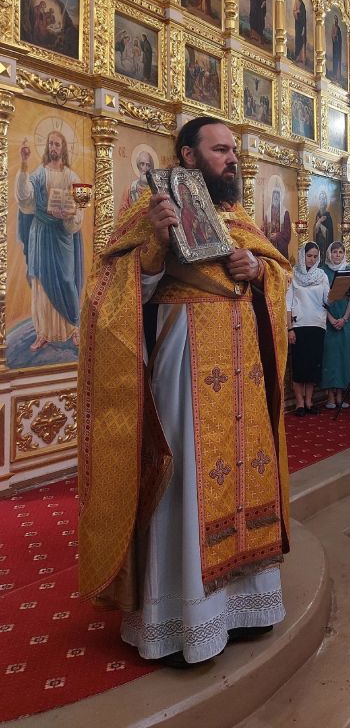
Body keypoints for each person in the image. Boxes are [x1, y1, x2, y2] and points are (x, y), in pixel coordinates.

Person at [78, 116, 291, 668]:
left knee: (242, 480)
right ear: (189, 156)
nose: (232, 159)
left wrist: (259, 272)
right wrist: (154, 244)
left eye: (234, 151)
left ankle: (244, 608)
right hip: (185, 370)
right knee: (189, 485)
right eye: (220, 150)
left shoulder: (237, 217)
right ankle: (186, 623)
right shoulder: (152, 210)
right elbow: (113, 295)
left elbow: (274, 274)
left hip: (242, 377)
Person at [16, 131, 85, 352]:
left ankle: (74, 328)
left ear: (63, 148)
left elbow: (81, 207)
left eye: (57, 144)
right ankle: (43, 332)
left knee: (66, 280)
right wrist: (25, 164)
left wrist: (71, 213)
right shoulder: (39, 173)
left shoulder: (72, 177)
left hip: (62, 235)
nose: (53, 147)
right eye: (50, 144)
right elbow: (25, 197)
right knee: (41, 286)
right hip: (41, 234)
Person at [286, 242, 330, 417]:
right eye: (308, 255)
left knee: (312, 366)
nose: (311, 259)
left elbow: (328, 299)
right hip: (299, 325)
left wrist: (341, 292)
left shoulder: (322, 275)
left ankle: (309, 402)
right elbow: (287, 304)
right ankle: (299, 403)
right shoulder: (292, 275)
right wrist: (290, 329)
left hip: (317, 324)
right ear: (302, 255)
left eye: (314, 256)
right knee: (299, 366)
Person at [320, 241, 350, 410]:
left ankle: (341, 394)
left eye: (340, 252)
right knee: (330, 358)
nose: (337, 255)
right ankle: (330, 396)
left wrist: (345, 319)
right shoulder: (322, 272)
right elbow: (320, 300)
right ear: (329, 254)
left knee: (343, 357)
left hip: (345, 321)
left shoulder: (349, 270)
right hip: (328, 321)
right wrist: (331, 319)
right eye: (334, 252)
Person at [262, 183, 291, 259]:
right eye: (274, 195)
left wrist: (278, 236)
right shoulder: (267, 213)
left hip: (281, 249)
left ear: (280, 197)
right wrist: (263, 230)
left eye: (277, 195)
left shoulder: (285, 212)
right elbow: (264, 229)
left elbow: (288, 233)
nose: (275, 197)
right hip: (269, 247)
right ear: (271, 197)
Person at [120, 149, 154, 213]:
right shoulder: (129, 189)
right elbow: (121, 215)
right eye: (142, 164)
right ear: (138, 166)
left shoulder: (155, 189)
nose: (145, 168)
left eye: (148, 165)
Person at [313, 188, 334, 263]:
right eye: (320, 199)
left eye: (323, 199)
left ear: (326, 201)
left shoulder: (327, 215)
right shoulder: (318, 214)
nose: (322, 201)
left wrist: (320, 223)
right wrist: (319, 221)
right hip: (318, 242)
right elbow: (315, 230)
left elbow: (328, 233)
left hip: (326, 244)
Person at [293, 0, 307, 65]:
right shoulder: (296, 1)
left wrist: (304, 28)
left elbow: (304, 16)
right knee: (298, 39)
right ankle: (297, 57)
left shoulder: (303, 4)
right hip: (298, 24)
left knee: (302, 40)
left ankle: (302, 58)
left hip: (302, 24)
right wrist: (297, 12)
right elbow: (294, 11)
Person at [330, 14, 342, 81]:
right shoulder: (333, 26)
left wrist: (337, 37)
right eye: (335, 19)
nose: (336, 21)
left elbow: (340, 37)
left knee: (338, 59)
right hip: (335, 45)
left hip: (338, 45)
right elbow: (332, 34)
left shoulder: (338, 28)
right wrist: (335, 37)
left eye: (336, 19)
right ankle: (334, 74)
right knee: (335, 59)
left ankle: (338, 75)